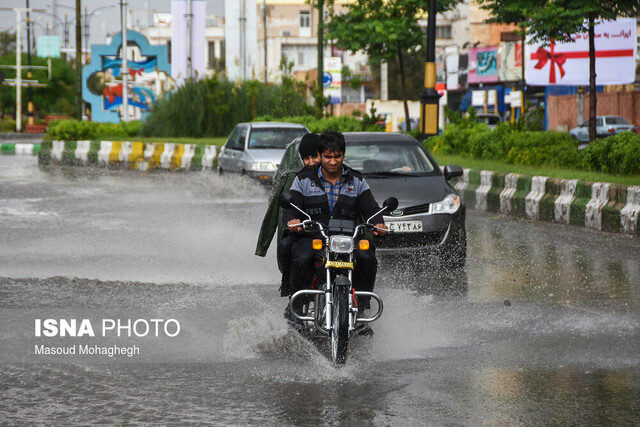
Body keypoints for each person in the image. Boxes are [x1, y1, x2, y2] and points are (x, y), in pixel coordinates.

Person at [283, 130, 388, 319]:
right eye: (327, 157)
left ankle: (361, 309)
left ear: (344, 154)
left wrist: (378, 222)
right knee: (302, 256)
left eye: (337, 156)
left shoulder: (357, 181)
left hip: (347, 239)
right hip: (315, 237)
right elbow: (292, 208)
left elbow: (371, 208)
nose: (333, 161)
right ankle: (297, 306)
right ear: (320, 155)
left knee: (367, 256)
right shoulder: (302, 180)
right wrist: (293, 220)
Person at [255, 133, 321, 298]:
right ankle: (292, 293)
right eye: (307, 157)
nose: (312, 162)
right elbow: (277, 212)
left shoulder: (342, 177)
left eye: (316, 156)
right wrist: (263, 246)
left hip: (331, 234)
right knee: (289, 249)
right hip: (301, 234)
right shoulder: (293, 178)